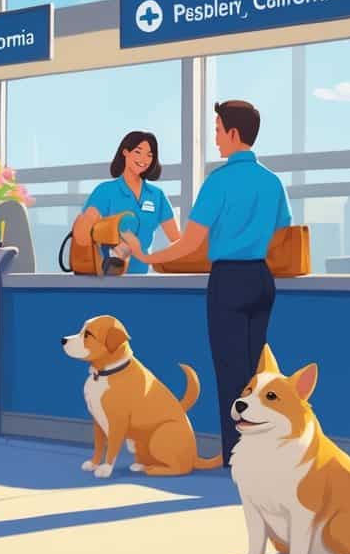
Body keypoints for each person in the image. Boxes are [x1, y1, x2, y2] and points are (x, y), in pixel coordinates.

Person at [125, 101, 290, 465]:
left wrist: (147, 256)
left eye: (217, 129)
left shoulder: (220, 181)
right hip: (262, 280)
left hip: (229, 279)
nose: (215, 138)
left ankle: (237, 454)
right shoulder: (272, 181)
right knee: (257, 371)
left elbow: (189, 243)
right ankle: (262, 453)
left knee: (231, 372)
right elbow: (282, 234)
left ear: (233, 133)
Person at [72, 131, 180, 275]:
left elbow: (176, 239)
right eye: (138, 152)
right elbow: (84, 230)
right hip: (107, 279)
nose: (144, 159)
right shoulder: (105, 191)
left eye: (149, 155)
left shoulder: (157, 195)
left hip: (144, 280)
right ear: (125, 152)